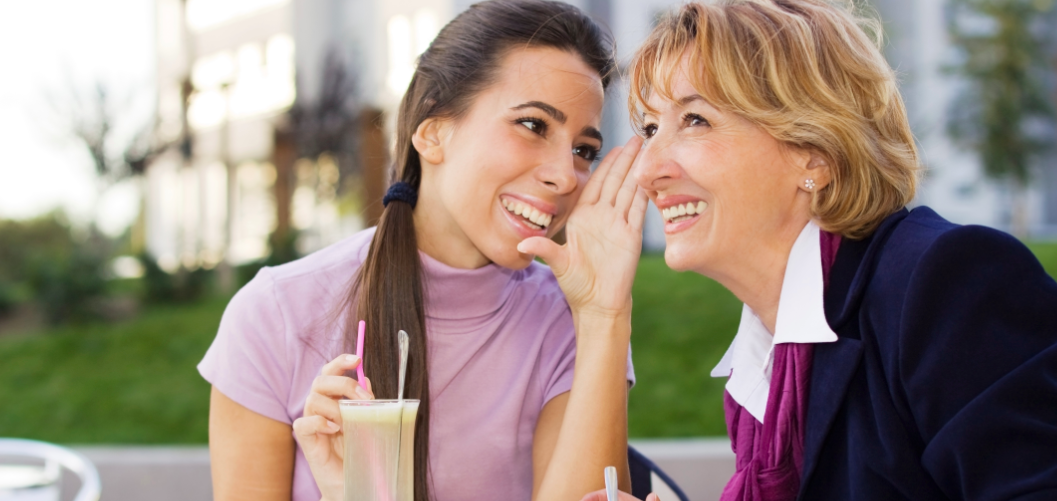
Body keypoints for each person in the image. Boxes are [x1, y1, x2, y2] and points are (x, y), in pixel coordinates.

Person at [585, 0, 1057, 500]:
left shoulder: (946, 283)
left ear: (815, 149)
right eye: (652, 128)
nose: (647, 169)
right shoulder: (764, 373)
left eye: (696, 120)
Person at [199, 1, 650, 500]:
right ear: (433, 132)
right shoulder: (276, 316)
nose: (566, 175)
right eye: (533, 125)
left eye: (583, 150)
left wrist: (607, 316)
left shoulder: (572, 320)